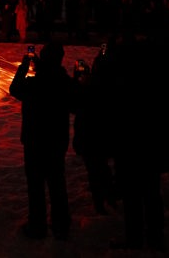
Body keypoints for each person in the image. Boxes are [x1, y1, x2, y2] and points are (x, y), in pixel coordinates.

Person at [109, 30, 169, 251]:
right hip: (152, 144)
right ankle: (155, 237)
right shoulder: (162, 81)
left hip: (133, 144)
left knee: (134, 194)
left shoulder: (129, 82)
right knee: (151, 192)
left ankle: (136, 237)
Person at [9, 42, 76, 240]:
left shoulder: (34, 83)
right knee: (57, 181)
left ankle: (37, 225)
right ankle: (61, 224)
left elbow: (15, 88)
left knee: (36, 184)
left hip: (34, 139)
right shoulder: (64, 82)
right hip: (56, 139)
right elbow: (76, 103)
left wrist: (24, 67)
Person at [72, 43, 116, 215]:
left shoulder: (90, 86)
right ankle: (109, 195)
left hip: (90, 132)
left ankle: (101, 201)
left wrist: (79, 81)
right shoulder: (112, 84)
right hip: (104, 131)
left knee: (94, 168)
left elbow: (76, 105)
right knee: (102, 165)